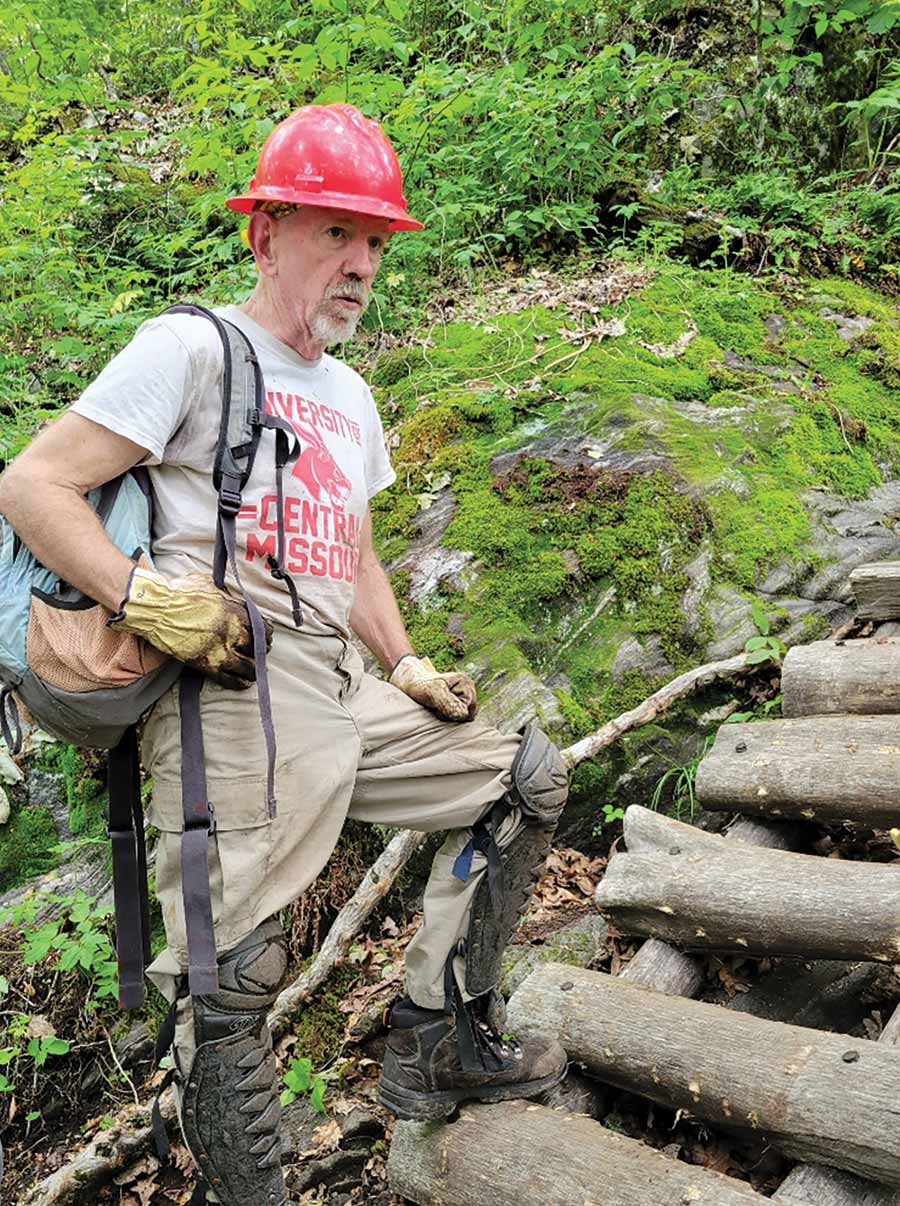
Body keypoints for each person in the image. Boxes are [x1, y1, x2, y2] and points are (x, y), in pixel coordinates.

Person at [0, 104, 568, 1205]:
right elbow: (31, 485)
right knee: (235, 977)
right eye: (335, 234)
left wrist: (403, 664)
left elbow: (349, 555)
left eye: (376, 243)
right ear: (265, 233)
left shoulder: (351, 396)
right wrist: (146, 599)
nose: (362, 265)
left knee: (522, 782)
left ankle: (433, 1038)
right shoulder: (190, 349)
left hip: (338, 680)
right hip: (224, 681)